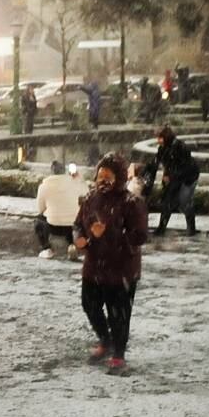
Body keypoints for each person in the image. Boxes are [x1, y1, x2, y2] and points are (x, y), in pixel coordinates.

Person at [74, 153, 148, 375]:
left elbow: (139, 236)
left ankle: (118, 354)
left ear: (120, 178)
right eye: (100, 175)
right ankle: (105, 340)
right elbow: (78, 224)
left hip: (121, 270)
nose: (102, 180)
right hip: (94, 266)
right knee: (90, 305)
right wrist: (80, 238)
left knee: (119, 314)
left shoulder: (131, 203)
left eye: (108, 176)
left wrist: (110, 234)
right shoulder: (90, 199)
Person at [143, 125, 200, 236]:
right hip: (174, 177)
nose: (158, 141)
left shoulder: (181, 147)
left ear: (166, 137)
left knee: (184, 201)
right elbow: (154, 164)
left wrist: (171, 176)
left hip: (188, 177)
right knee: (167, 201)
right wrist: (147, 178)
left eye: (160, 138)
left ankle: (191, 229)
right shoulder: (162, 149)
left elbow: (185, 167)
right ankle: (161, 228)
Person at [35, 159, 84, 259]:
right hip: (73, 225)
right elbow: (85, 193)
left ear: (52, 171)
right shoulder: (74, 183)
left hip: (53, 225)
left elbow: (40, 209)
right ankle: (71, 245)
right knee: (69, 216)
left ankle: (46, 249)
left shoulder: (44, 186)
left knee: (38, 221)